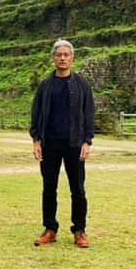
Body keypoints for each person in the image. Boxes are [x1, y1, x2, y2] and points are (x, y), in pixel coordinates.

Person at [30, 39, 94, 248]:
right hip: (49, 144)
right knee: (49, 187)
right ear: (53, 58)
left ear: (72, 58)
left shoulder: (82, 85)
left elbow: (89, 115)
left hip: (75, 144)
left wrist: (87, 141)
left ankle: (79, 230)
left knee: (78, 189)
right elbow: (36, 114)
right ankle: (50, 228)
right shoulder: (45, 86)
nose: (63, 58)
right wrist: (36, 140)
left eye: (67, 55)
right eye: (59, 55)